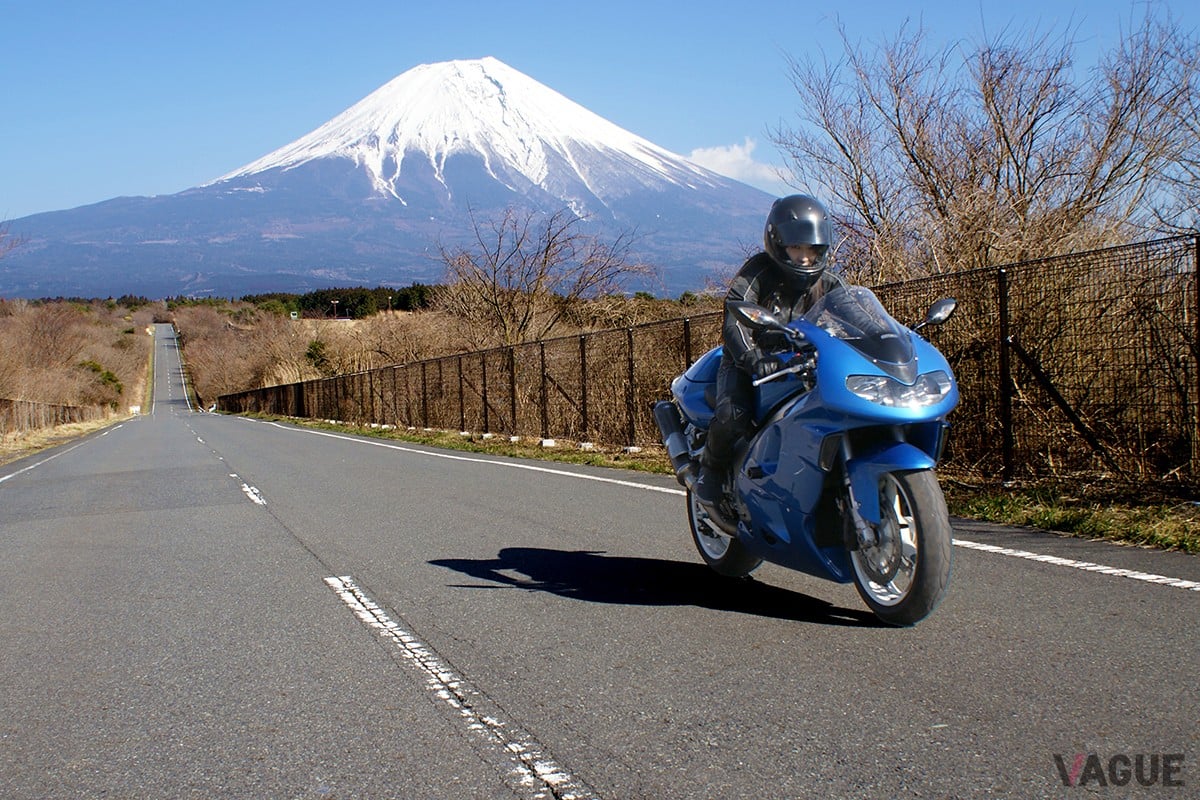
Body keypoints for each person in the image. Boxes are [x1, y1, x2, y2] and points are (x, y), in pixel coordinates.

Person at [693, 194, 838, 507]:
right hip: (751, 363)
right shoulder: (758, 272)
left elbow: (856, 317)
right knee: (734, 414)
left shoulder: (830, 284)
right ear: (778, 244)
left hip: (808, 364)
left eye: (812, 249)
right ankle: (711, 469)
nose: (804, 257)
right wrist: (751, 357)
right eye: (796, 247)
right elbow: (735, 317)